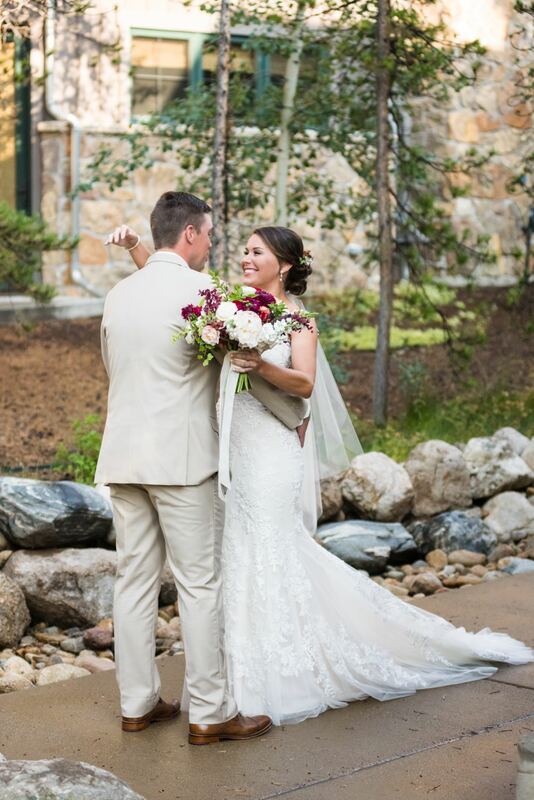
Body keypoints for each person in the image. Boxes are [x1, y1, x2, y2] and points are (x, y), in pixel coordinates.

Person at [107, 220, 534, 727]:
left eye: (256, 252)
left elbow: (305, 384)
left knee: (266, 551)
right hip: (229, 453)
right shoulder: (229, 308)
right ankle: (230, 681)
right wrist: (139, 248)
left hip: (270, 453)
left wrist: (259, 363)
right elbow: (171, 289)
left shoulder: (298, 321)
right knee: (233, 559)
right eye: (244, 250)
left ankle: (274, 676)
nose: (245, 258)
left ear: (284, 265)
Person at [97, 192, 305, 745]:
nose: (213, 244)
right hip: (183, 461)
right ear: (189, 234)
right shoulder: (206, 294)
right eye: (210, 235)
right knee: (199, 585)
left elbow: (111, 366)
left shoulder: (118, 294)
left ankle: (137, 705)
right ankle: (210, 713)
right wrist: (294, 413)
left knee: (135, 582)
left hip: (122, 456)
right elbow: (238, 361)